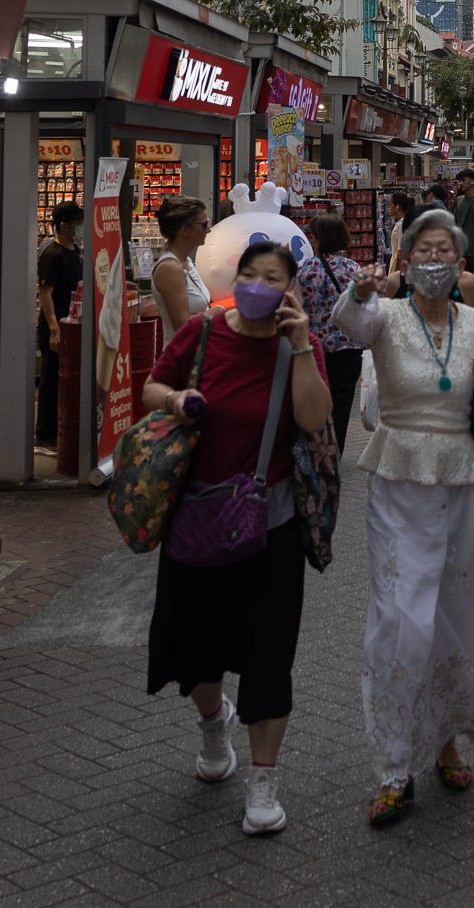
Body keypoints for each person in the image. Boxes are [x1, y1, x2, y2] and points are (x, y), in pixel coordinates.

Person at [142, 239, 333, 836]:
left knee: (268, 654)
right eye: (248, 273)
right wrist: (176, 398)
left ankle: (264, 781)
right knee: (194, 650)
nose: (256, 284)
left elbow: (313, 417)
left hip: (270, 524)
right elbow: (150, 387)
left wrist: (301, 344)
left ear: (289, 289)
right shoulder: (201, 333)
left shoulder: (298, 346)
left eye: (270, 277)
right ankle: (212, 722)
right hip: (196, 519)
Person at [335, 209, 474, 826]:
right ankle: (392, 766)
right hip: (398, 482)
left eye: (445, 252)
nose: (435, 261)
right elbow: (349, 322)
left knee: (457, 620)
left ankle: (446, 743)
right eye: (424, 251)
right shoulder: (384, 315)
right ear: (406, 262)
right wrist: (359, 290)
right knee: (400, 621)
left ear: (461, 263)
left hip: (463, 484)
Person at [296, 214, 366, 449]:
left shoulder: (305, 269)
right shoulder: (354, 269)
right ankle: (335, 451)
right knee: (342, 403)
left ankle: (314, 447)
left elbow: (296, 307)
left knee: (314, 398)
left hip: (314, 347)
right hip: (348, 346)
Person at [35, 201, 85, 451]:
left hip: (72, 322)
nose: (81, 226)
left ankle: (59, 428)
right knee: (51, 378)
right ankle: (44, 435)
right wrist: (54, 329)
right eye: (77, 223)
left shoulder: (76, 250)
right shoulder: (51, 255)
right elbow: (45, 294)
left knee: (64, 378)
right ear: (63, 225)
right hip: (56, 326)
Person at [150, 197, 212, 334]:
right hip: (183, 353)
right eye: (203, 224)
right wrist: (214, 314)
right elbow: (181, 325)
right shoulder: (170, 269)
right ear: (184, 229)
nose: (208, 230)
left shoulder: (187, 262)